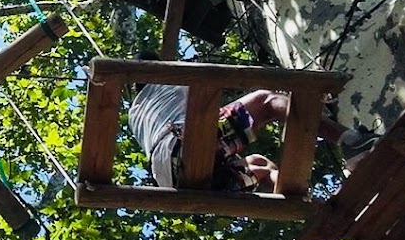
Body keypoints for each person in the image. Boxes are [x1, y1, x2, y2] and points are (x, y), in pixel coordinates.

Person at [128, 72, 376, 192]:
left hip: (174, 179)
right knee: (265, 101)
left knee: (258, 165)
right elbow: (200, 102)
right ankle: (352, 142)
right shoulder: (165, 77)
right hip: (182, 143)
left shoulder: (134, 116)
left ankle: (298, 195)